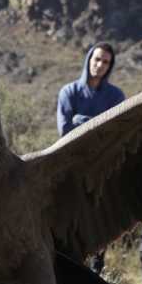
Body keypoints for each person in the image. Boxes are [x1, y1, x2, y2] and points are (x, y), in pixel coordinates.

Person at [56, 42, 125, 272]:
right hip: (71, 167)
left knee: (100, 219)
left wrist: (81, 121)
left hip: (103, 167)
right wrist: (96, 124)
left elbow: (118, 131)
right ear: (88, 60)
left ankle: (97, 270)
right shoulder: (69, 92)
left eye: (105, 62)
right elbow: (65, 129)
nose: (100, 65)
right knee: (70, 219)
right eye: (97, 59)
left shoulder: (115, 96)